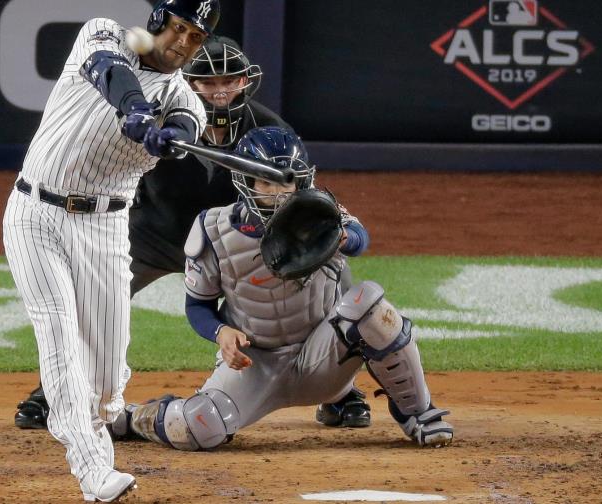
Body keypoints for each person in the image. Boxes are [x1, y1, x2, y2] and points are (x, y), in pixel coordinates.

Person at [14, 37, 372, 432]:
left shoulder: (271, 129)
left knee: (327, 270)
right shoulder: (162, 115)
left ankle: (342, 391)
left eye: (230, 80)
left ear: (245, 81)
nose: (220, 91)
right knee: (91, 303)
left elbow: (299, 198)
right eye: (207, 82)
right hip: (155, 233)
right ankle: (54, 391)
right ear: (188, 82)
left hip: (235, 240)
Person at [109, 126, 455, 452]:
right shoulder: (212, 229)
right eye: (266, 182)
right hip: (255, 365)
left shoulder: (322, 214)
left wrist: (339, 235)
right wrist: (221, 332)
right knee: (198, 426)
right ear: (246, 181)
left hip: (322, 359)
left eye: (286, 183)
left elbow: (360, 240)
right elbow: (197, 306)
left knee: (371, 306)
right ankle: (134, 419)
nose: (278, 193)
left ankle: (417, 413)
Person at [2, 1, 220, 501]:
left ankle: (95, 420)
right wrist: (135, 110)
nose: (183, 43)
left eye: (196, 37)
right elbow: (111, 72)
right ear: (159, 21)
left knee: (105, 386)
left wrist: (171, 140)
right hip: (36, 215)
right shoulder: (102, 33)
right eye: (180, 29)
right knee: (59, 337)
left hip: (105, 228)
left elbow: (185, 127)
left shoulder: (187, 101)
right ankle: (93, 469)